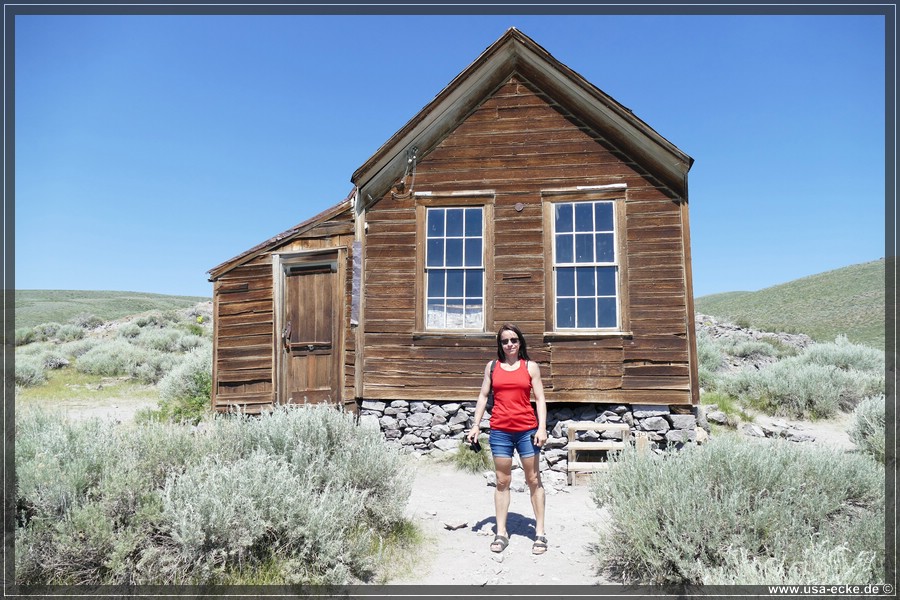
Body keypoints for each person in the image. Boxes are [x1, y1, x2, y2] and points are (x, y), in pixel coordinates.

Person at [466, 323, 549, 555]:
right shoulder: (492, 367)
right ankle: (501, 532)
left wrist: (542, 428)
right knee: (502, 481)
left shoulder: (530, 367)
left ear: (520, 342)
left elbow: (540, 399)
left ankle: (540, 532)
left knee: (533, 479)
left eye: (513, 340)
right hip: (500, 431)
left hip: (526, 431)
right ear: (500, 344)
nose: (510, 344)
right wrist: (475, 425)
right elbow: (483, 397)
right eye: (505, 341)